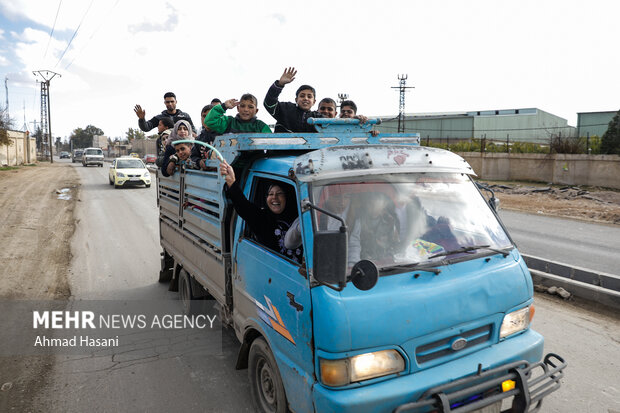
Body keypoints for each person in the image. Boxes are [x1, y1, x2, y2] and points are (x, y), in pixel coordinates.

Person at [219, 160, 302, 263]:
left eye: (279, 193)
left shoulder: (300, 217)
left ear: (287, 197)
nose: (274, 198)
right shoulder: (262, 218)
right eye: (270, 194)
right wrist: (231, 182)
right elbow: (243, 205)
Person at [264, 67, 323, 132]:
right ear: (296, 99)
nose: (306, 98)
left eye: (309, 96)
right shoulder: (286, 109)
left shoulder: (317, 117)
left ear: (314, 102)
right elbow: (269, 103)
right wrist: (280, 84)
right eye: (302, 96)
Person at [204, 94, 272, 134]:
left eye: (250, 107)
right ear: (238, 109)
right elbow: (209, 121)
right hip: (231, 158)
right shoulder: (229, 122)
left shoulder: (261, 126)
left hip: (257, 158)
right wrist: (223, 106)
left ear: (256, 111)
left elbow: (271, 143)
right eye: (242, 106)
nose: (246, 110)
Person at [191, 104, 221, 169]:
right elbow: (193, 156)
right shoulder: (199, 139)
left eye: (210, 116)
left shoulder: (223, 135)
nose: (207, 119)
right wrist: (199, 161)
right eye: (204, 116)